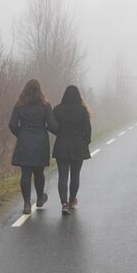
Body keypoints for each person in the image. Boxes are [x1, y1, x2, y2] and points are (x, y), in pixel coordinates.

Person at [9, 79, 58, 214]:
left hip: (24, 142)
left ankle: (26, 204)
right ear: (39, 90)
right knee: (39, 172)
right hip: (40, 142)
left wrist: (21, 134)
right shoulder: (45, 105)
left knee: (25, 173)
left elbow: (12, 125)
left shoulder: (19, 105)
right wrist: (62, 133)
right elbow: (52, 125)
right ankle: (40, 197)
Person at [53, 85, 92, 215]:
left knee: (63, 176)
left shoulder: (57, 109)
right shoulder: (83, 111)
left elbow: (52, 126)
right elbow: (88, 130)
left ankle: (63, 203)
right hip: (78, 146)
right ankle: (71, 201)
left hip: (62, 145)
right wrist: (85, 142)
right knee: (75, 175)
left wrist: (60, 134)